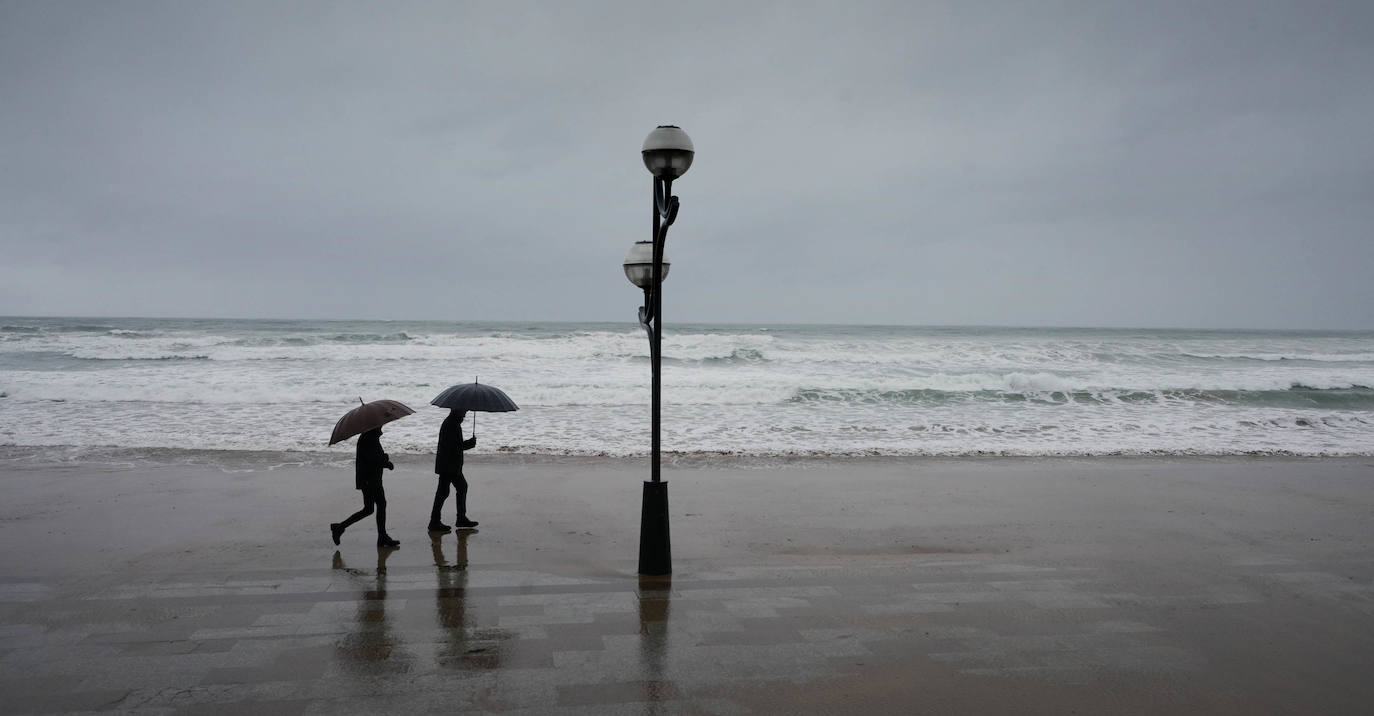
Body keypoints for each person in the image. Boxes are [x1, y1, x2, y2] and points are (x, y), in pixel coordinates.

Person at [331, 427, 400, 547]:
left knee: (369, 508)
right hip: (370, 480)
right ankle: (381, 536)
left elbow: (374, 457)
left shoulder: (369, 437)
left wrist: (384, 459)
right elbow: (374, 460)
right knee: (377, 506)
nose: (381, 427)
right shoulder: (369, 438)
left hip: (370, 479)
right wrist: (386, 461)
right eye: (380, 426)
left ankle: (340, 527)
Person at [429, 409, 478, 532]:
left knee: (457, 488)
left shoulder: (452, 423)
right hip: (449, 465)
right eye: (463, 411)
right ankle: (436, 521)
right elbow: (455, 446)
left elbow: (455, 445)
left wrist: (467, 444)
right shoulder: (452, 425)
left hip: (449, 464)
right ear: (457, 411)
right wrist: (469, 444)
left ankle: (458, 518)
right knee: (444, 492)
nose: (465, 414)